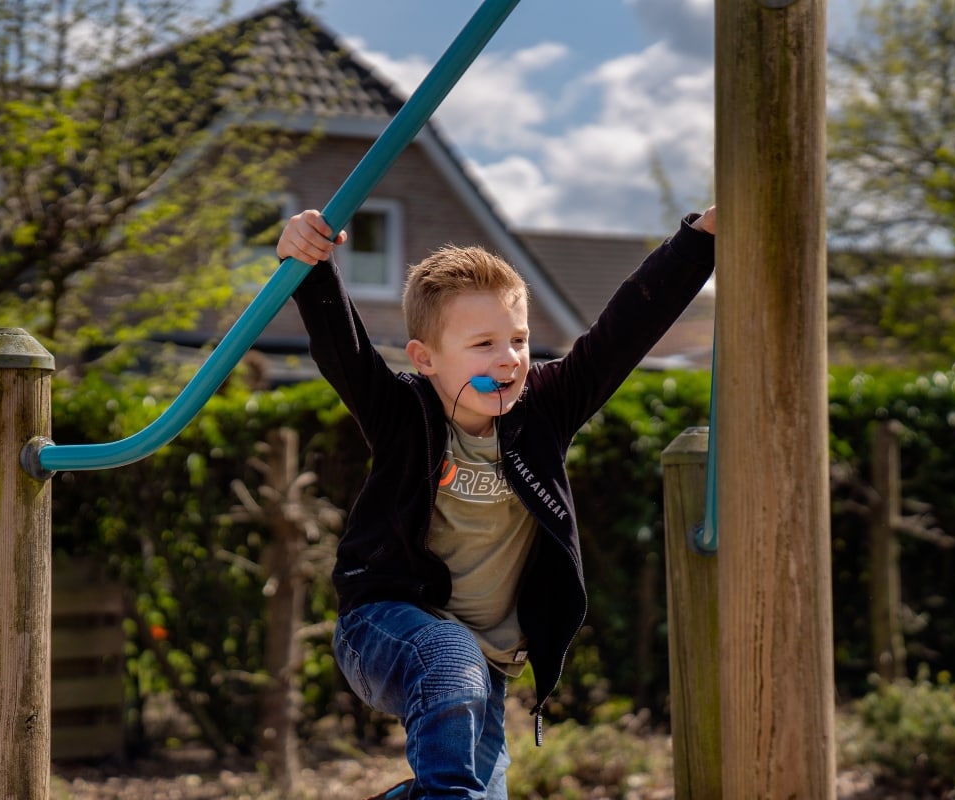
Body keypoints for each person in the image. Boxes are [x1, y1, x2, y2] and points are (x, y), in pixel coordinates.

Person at [278, 205, 717, 799]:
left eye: (518, 340)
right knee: (447, 653)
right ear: (426, 358)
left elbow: (624, 332)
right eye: (484, 344)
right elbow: (343, 350)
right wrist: (310, 264)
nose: (508, 359)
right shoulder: (402, 414)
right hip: (384, 629)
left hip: (485, 670)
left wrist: (699, 242)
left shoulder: (545, 409)